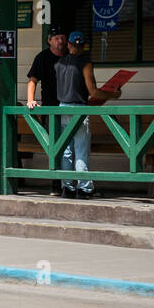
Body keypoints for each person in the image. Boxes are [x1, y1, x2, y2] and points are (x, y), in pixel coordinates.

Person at [54, 31, 122, 199]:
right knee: (81, 149)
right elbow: (93, 92)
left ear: (68, 44)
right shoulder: (86, 63)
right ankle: (84, 187)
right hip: (79, 108)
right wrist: (113, 95)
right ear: (84, 46)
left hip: (62, 107)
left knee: (66, 151)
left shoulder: (59, 63)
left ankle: (67, 187)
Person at [26, 25, 68, 194]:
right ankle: (56, 183)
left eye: (63, 38)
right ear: (49, 41)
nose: (61, 41)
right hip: (51, 107)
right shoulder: (43, 57)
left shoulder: (71, 56)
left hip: (71, 106)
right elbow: (33, 80)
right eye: (57, 38)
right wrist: (30, 100)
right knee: (55, 147)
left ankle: (72, 183)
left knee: (71, 146)